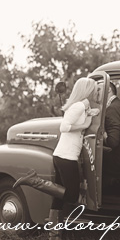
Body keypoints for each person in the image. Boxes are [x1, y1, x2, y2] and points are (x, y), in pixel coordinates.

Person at [50, 70, 105, 218]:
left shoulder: (82, 106)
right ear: (87, 91)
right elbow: (64, 127)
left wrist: (89, 113)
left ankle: (54, 237)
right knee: (72, 194)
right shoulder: (78, 106)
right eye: (94, 89)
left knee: (59, 195)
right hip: (66, 156)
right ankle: (35, 182)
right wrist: (85, 125)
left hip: (63, 155)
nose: (96, 92)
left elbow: (81, 115)